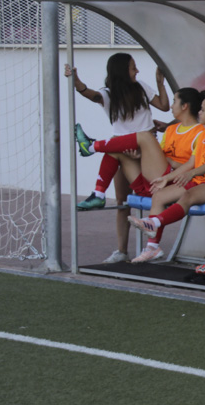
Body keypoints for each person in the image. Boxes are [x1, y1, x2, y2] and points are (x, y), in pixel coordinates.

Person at [74, 87, 205, 263]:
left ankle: (91, 147)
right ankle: (98, 194)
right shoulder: (170, 130)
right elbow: (159, 157)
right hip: (155, 182)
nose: (171, 106)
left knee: (145, 136)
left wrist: (169, 163)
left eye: (175, 101)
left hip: (173, 182)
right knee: (116, 150)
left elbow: (197, 167)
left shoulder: (201, 132)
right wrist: (140, 157)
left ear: (185, 106)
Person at [65, 54, 170, 263]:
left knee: (114, 147)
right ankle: (121, 251)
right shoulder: (108, 94)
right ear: (122, 71)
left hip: (146, 151)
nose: (137, 71)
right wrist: (76, 82)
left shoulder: (141, 87)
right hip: (122, 152)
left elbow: (164, 106)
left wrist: (160, 83)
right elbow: (91, 94)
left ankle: (96, 184)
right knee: (123, 202)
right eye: (133, 68)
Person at [126, 94, 205, 245]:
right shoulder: (203, 135)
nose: (199, 112)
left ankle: (154, 222)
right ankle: (152, 247)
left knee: (188, 196)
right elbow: (190, 163)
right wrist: (166, 179)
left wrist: (191, 173)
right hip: (201, 181)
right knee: (159, 196)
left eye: (202, 110)